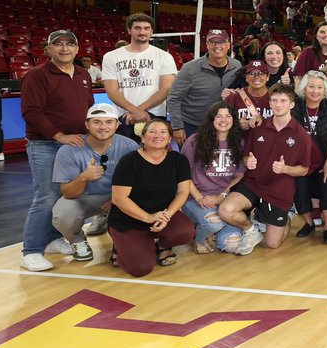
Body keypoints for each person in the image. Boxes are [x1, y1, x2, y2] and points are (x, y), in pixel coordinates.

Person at [19, 30, 95, 272]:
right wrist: (59, 136)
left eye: (69, 44)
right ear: (48, 49)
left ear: (76, 48)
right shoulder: (37, 75)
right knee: (46, 196)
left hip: (77, 145)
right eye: (58, 44)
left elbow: (88, 107)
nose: (64, 49)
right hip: (46, 145)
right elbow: (31, 112)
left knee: (66, 195)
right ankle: (30, 250)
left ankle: (52, 239)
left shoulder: (83, 74)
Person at [217, 83, 314, 254]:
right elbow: (246, 157)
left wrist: (286, 169)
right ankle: (250, 230)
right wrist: (248, 162)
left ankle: (286, 216)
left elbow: (304, 169)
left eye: (283, 101)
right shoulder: (258, 126)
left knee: (272, 244)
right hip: (253, 184)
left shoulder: (301, 136)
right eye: (274, 100)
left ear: (292, 105)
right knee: (225, 210)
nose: (278, 105)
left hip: (278, 190)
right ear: (269, 103)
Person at [49, 103, 140, 260]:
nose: (103, 127)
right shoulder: (69, 150)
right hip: (84, 198)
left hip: (117, 197)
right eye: (96, 122)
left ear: (117, 125)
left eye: (109, 122)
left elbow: (140, 182)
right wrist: (83, 177)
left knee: (140, 199)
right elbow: (68, 193)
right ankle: (77, 241)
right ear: (87, 124)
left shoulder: (129, 145)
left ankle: (120, 239)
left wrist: (117, 199)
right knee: (63, 212)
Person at [106, 119, 196, 276]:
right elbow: (119, 199)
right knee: (141, 268)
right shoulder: (129, 161)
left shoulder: (178, 160)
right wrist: (148, 217)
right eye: (152, 131)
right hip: (129, 219)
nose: (157, 135)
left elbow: (183, 192)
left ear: (169, 139)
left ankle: (159, 244)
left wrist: (167, 215)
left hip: (161, 215)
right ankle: (122, 245)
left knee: (185, 232)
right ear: (142, 138)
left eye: (163, 132)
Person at [180, 103, 247, 254]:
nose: (223, 120)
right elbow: (183, 175)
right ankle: (199, 237)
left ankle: (213, 229)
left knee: (232, 245)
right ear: (211, 120)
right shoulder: (194, 141)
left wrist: (222, 196)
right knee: (213, 223)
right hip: (196, 197)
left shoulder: (239, 142)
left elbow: (239, 175)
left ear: (233, 120)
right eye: (219, 116)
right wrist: (199, 198)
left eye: (228, 116)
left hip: (225, 199)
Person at [102, 14, 177, 139]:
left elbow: (165, 89)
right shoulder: (111, 57)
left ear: (152, 31)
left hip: (154, 114)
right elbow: (112, 91)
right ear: (129, 30)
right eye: (137, 28)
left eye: (146, 28)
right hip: (123, 116)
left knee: (154, 156)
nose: (142, 32)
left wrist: (139, 110)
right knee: (124, 156)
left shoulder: (164, 56)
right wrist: (133, 110)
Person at [291, 71, 327, 243]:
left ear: (325, 90)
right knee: (299, 189)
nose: (315, 91)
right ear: (304, 88)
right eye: (311, 86)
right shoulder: (297, 106)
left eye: (319, 87)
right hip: (302, 161)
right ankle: (309, 223)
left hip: (325, 159)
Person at [168, 29, 241, 142]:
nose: (217, 45)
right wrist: (177, 127)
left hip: (223, 125)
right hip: (192, 125)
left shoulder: (236, 66)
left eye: (221, 42)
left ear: (228, 45)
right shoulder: (189, 69)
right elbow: (174, 98)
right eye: (213, 42)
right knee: (191, 159)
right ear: (207, 45)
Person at [228, 60, 273, 131]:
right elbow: (220, 121)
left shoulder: (276, 97)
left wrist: (263, 119)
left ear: (267, 77)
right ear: (246, 77)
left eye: (261, 73)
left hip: (270, 141)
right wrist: (236, 125)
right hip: (242, 141)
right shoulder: (234, 97)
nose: (256, 77)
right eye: (252, 73)